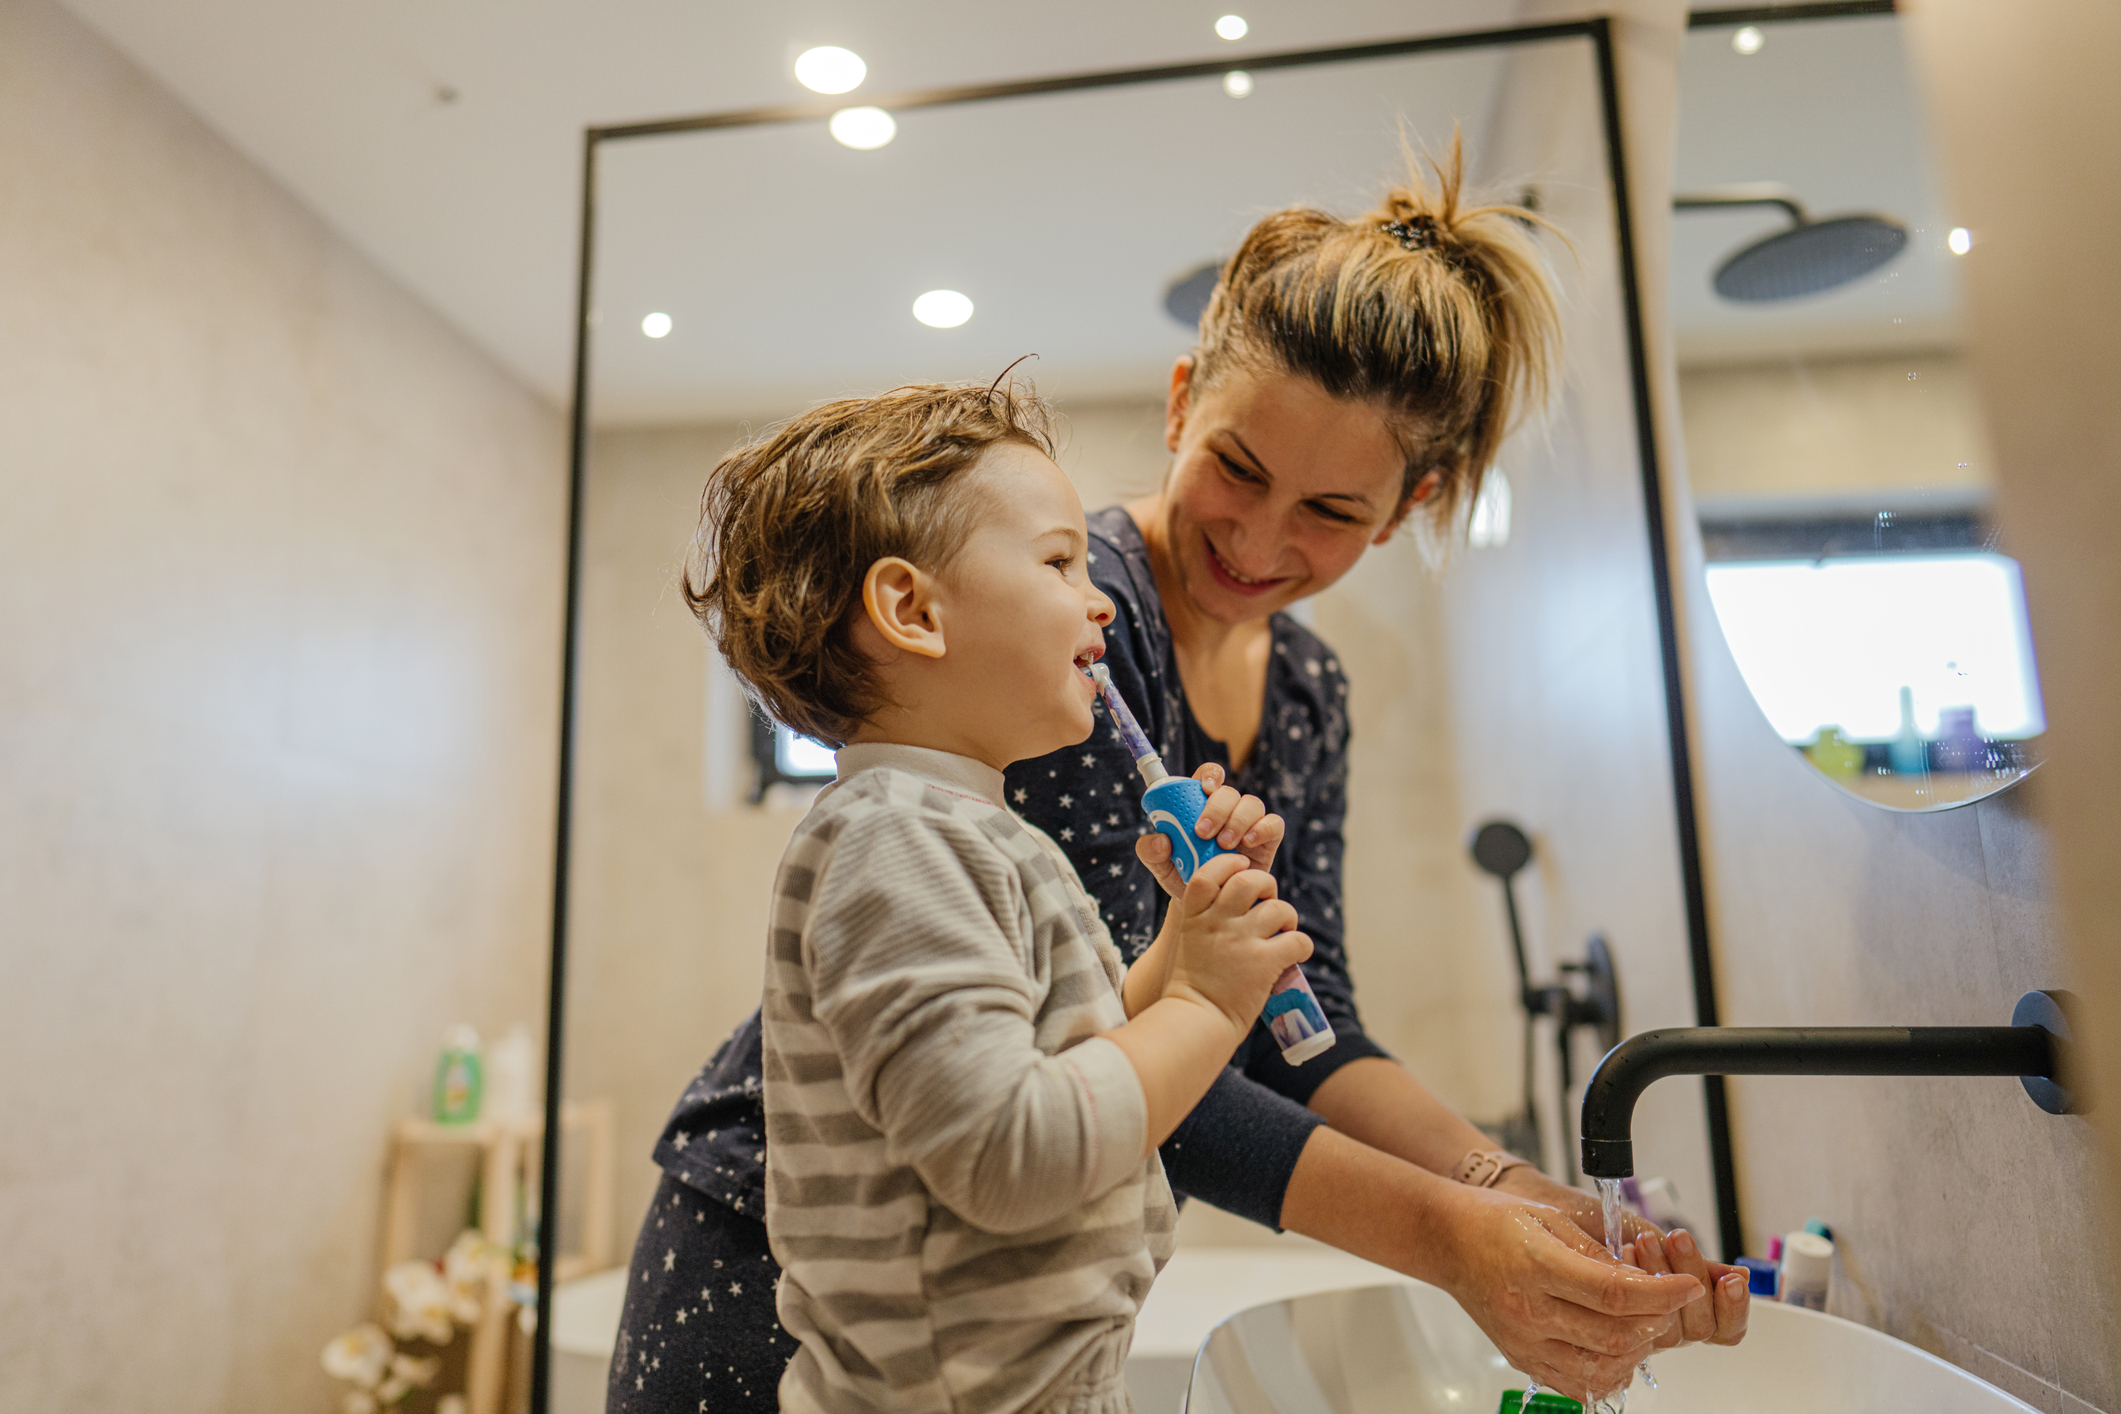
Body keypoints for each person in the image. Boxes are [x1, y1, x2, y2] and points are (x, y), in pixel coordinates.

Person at [611, 147, 1746, 1414]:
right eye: (1239, 469)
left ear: (1406, 507)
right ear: (1178, 403)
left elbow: (1301, 1023)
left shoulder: (1306, 693)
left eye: (1329, 508)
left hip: (1002, 1291)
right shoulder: (1062, 638)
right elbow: (1121, 1083)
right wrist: (1446, 1238)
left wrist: (1502, 1187)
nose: (1261, 541)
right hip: (805, 1257)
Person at [668, 380, 1309, 1413]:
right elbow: (1012, 1151)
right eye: (1060, 562)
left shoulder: (974, 833)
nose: (1099, 600)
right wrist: (1209, 1002)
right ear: (913, 610)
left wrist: (1182, 953)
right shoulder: (894, 841)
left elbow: (1061, 1064)